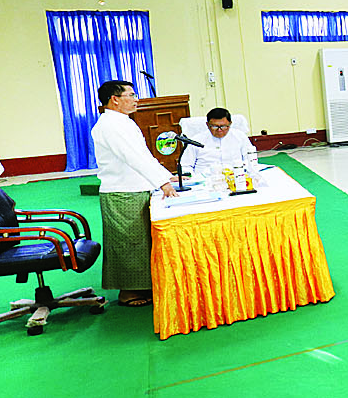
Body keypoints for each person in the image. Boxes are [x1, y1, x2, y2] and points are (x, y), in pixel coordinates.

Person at [90, 80, 177, 307]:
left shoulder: (123, 122)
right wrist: (162, 183)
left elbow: (144, 155)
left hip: (135, 188)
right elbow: (133, 157)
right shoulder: (110, 125)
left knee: (140, 243)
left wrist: (167, 176)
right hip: (122, 192)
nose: (135, 99)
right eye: (130, 95)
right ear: (115, 99)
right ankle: (128, 293)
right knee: (128, 244)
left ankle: (143, 286)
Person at [181, 108, 254, 176]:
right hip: (205, 180)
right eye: (215, 126)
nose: (219, 130)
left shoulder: (240, 136)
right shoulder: (196, 140)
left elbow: (250, 160)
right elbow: (186, 166)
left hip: (235, 178)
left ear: (230, 124)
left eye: (223, 126)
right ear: (207, 125)